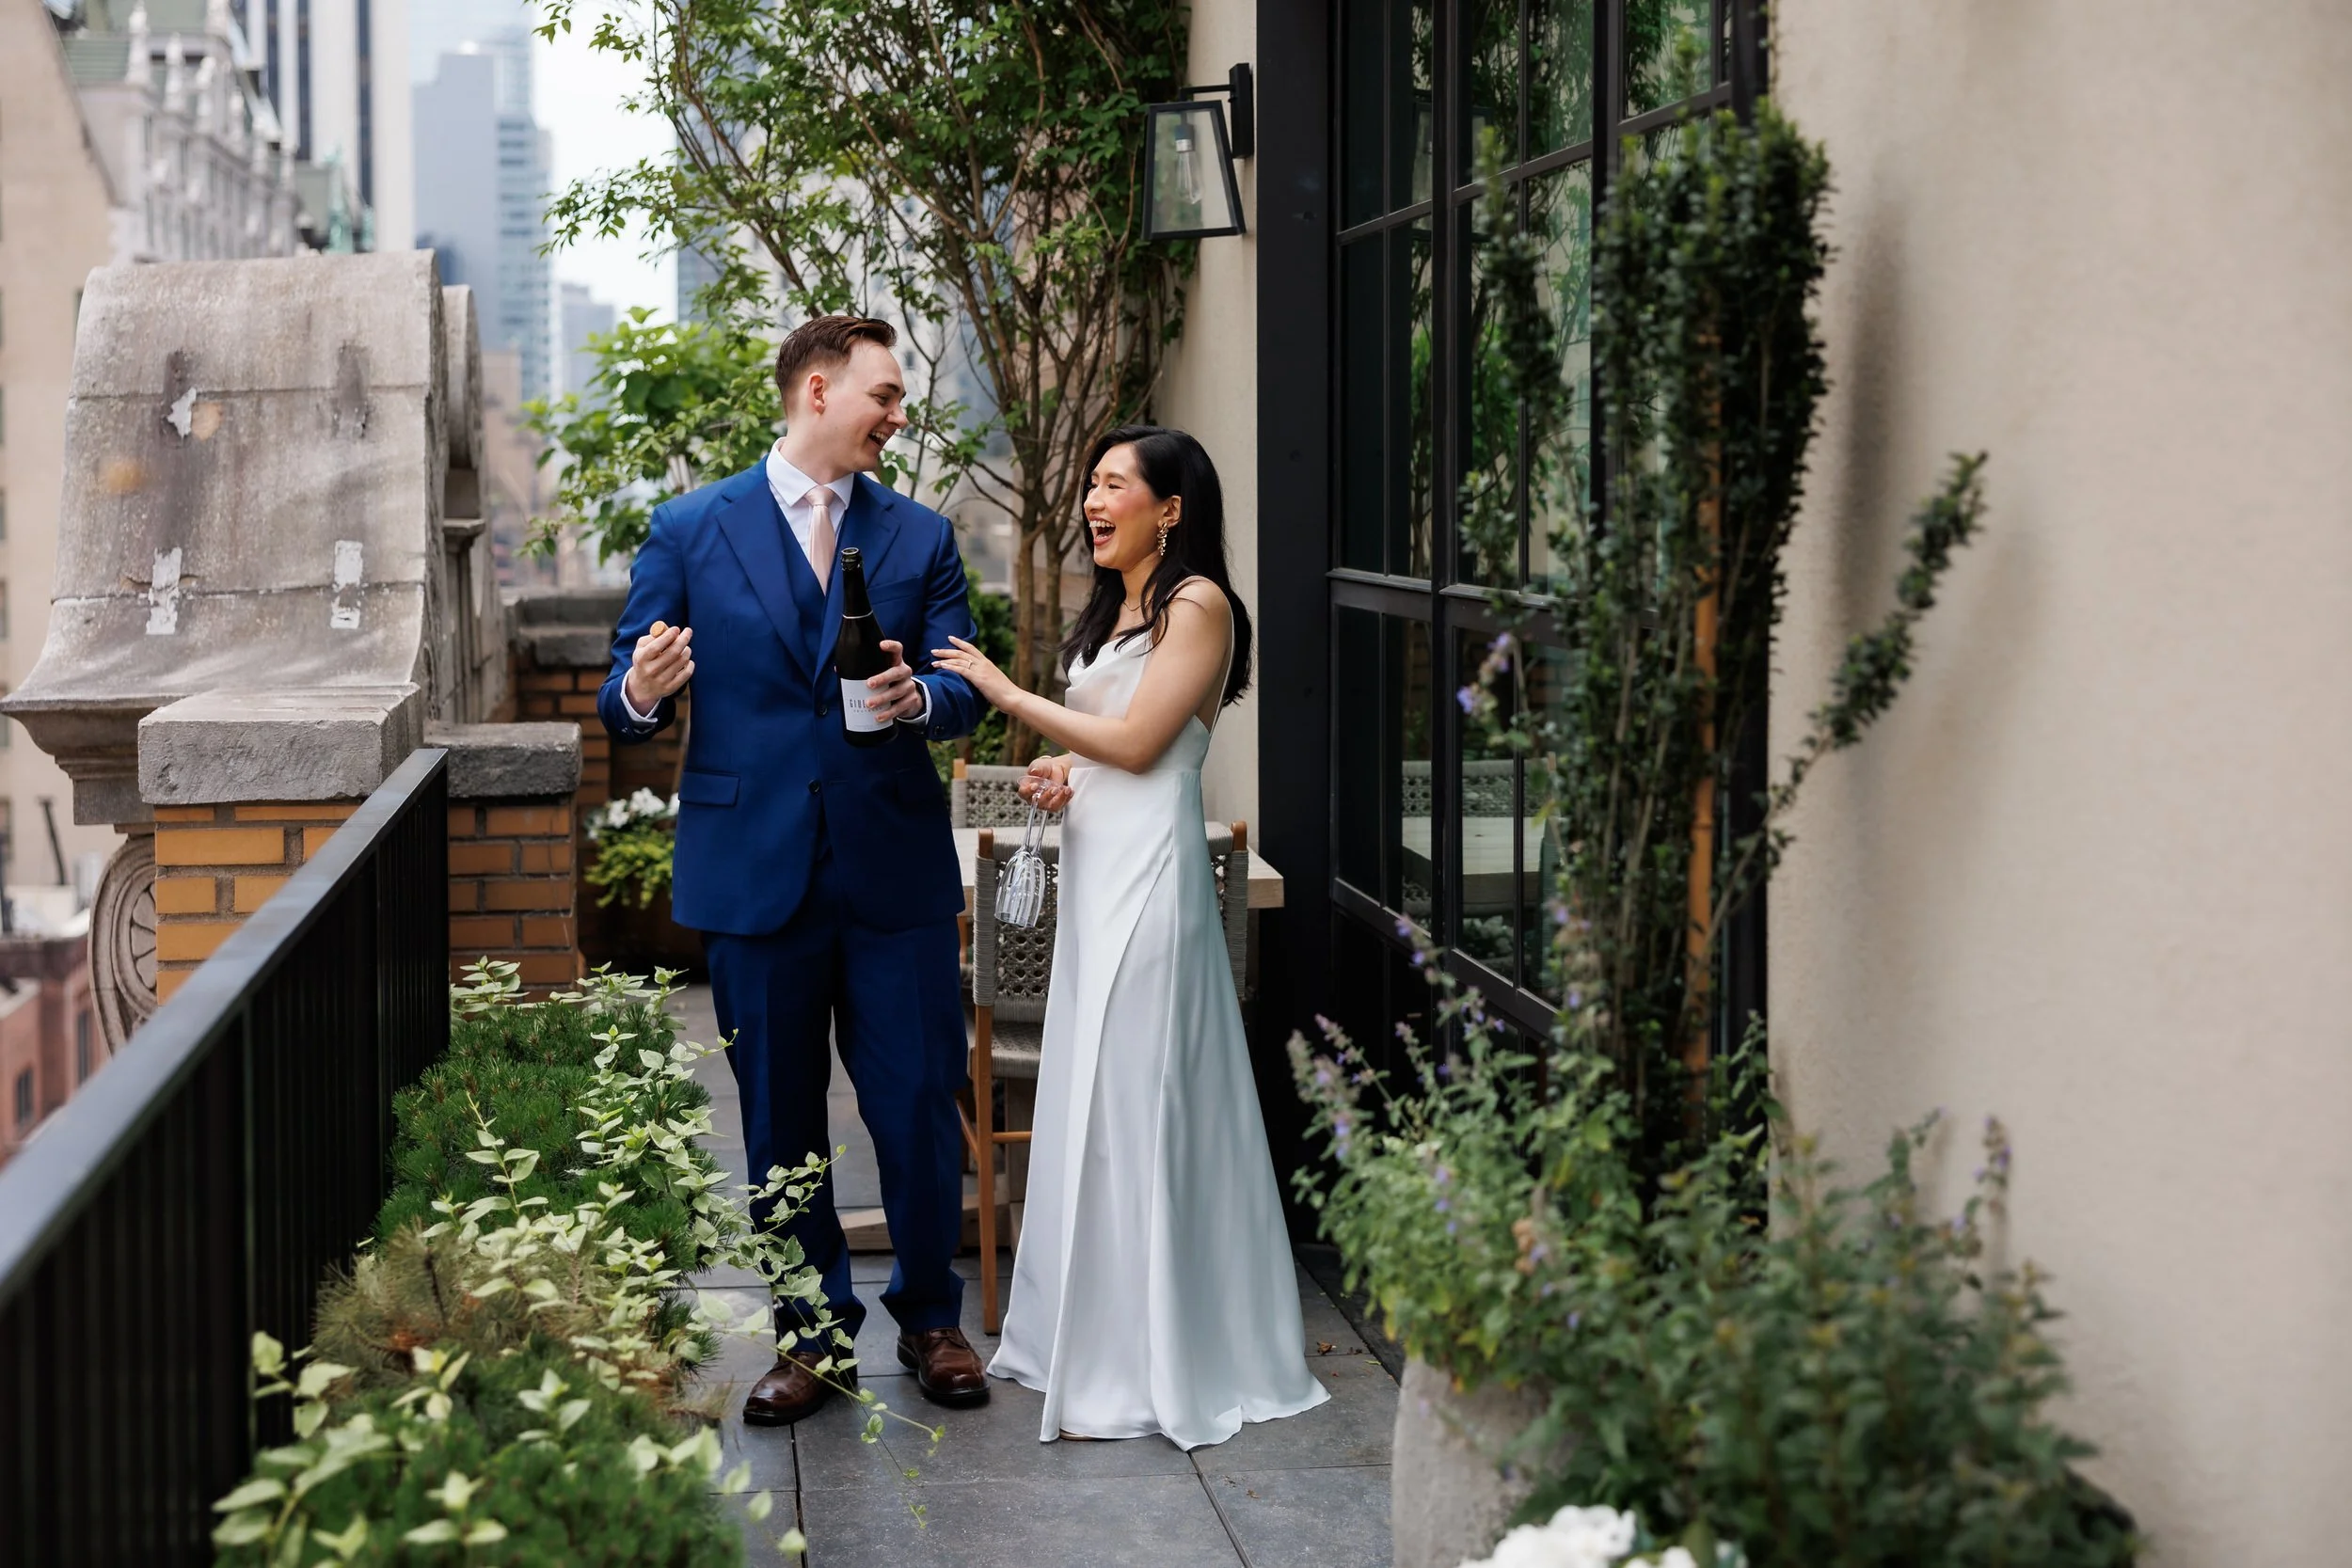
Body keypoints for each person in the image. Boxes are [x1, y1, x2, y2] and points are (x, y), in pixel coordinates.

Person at [599, 314, 993, 1424]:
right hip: (753, 873)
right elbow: (621, 698)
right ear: (817, 390)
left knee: (917, 1103)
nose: (897, 414)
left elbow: (964, 680)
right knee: (777, 1118)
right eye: (883, 393)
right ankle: (810, 1337)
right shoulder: (689, 527)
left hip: (892, 870)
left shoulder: (919, 537)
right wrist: (643, 687)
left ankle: (931, 1318)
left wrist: (930, 698)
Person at [930, 425, 1331, 1448]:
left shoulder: (1199, 604)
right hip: (1100, 866)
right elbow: (1123, 747)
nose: (1094, 502)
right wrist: (1070, 773)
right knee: (1092, 1092)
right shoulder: (1123, 608)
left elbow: (1153, 741)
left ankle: (1161, 1351)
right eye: (1093, 486)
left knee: (1143, 1091)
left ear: (1172, 507)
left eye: (1114, 485)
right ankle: (1093, 1336)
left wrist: (1010, 695)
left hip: (1152, 879)